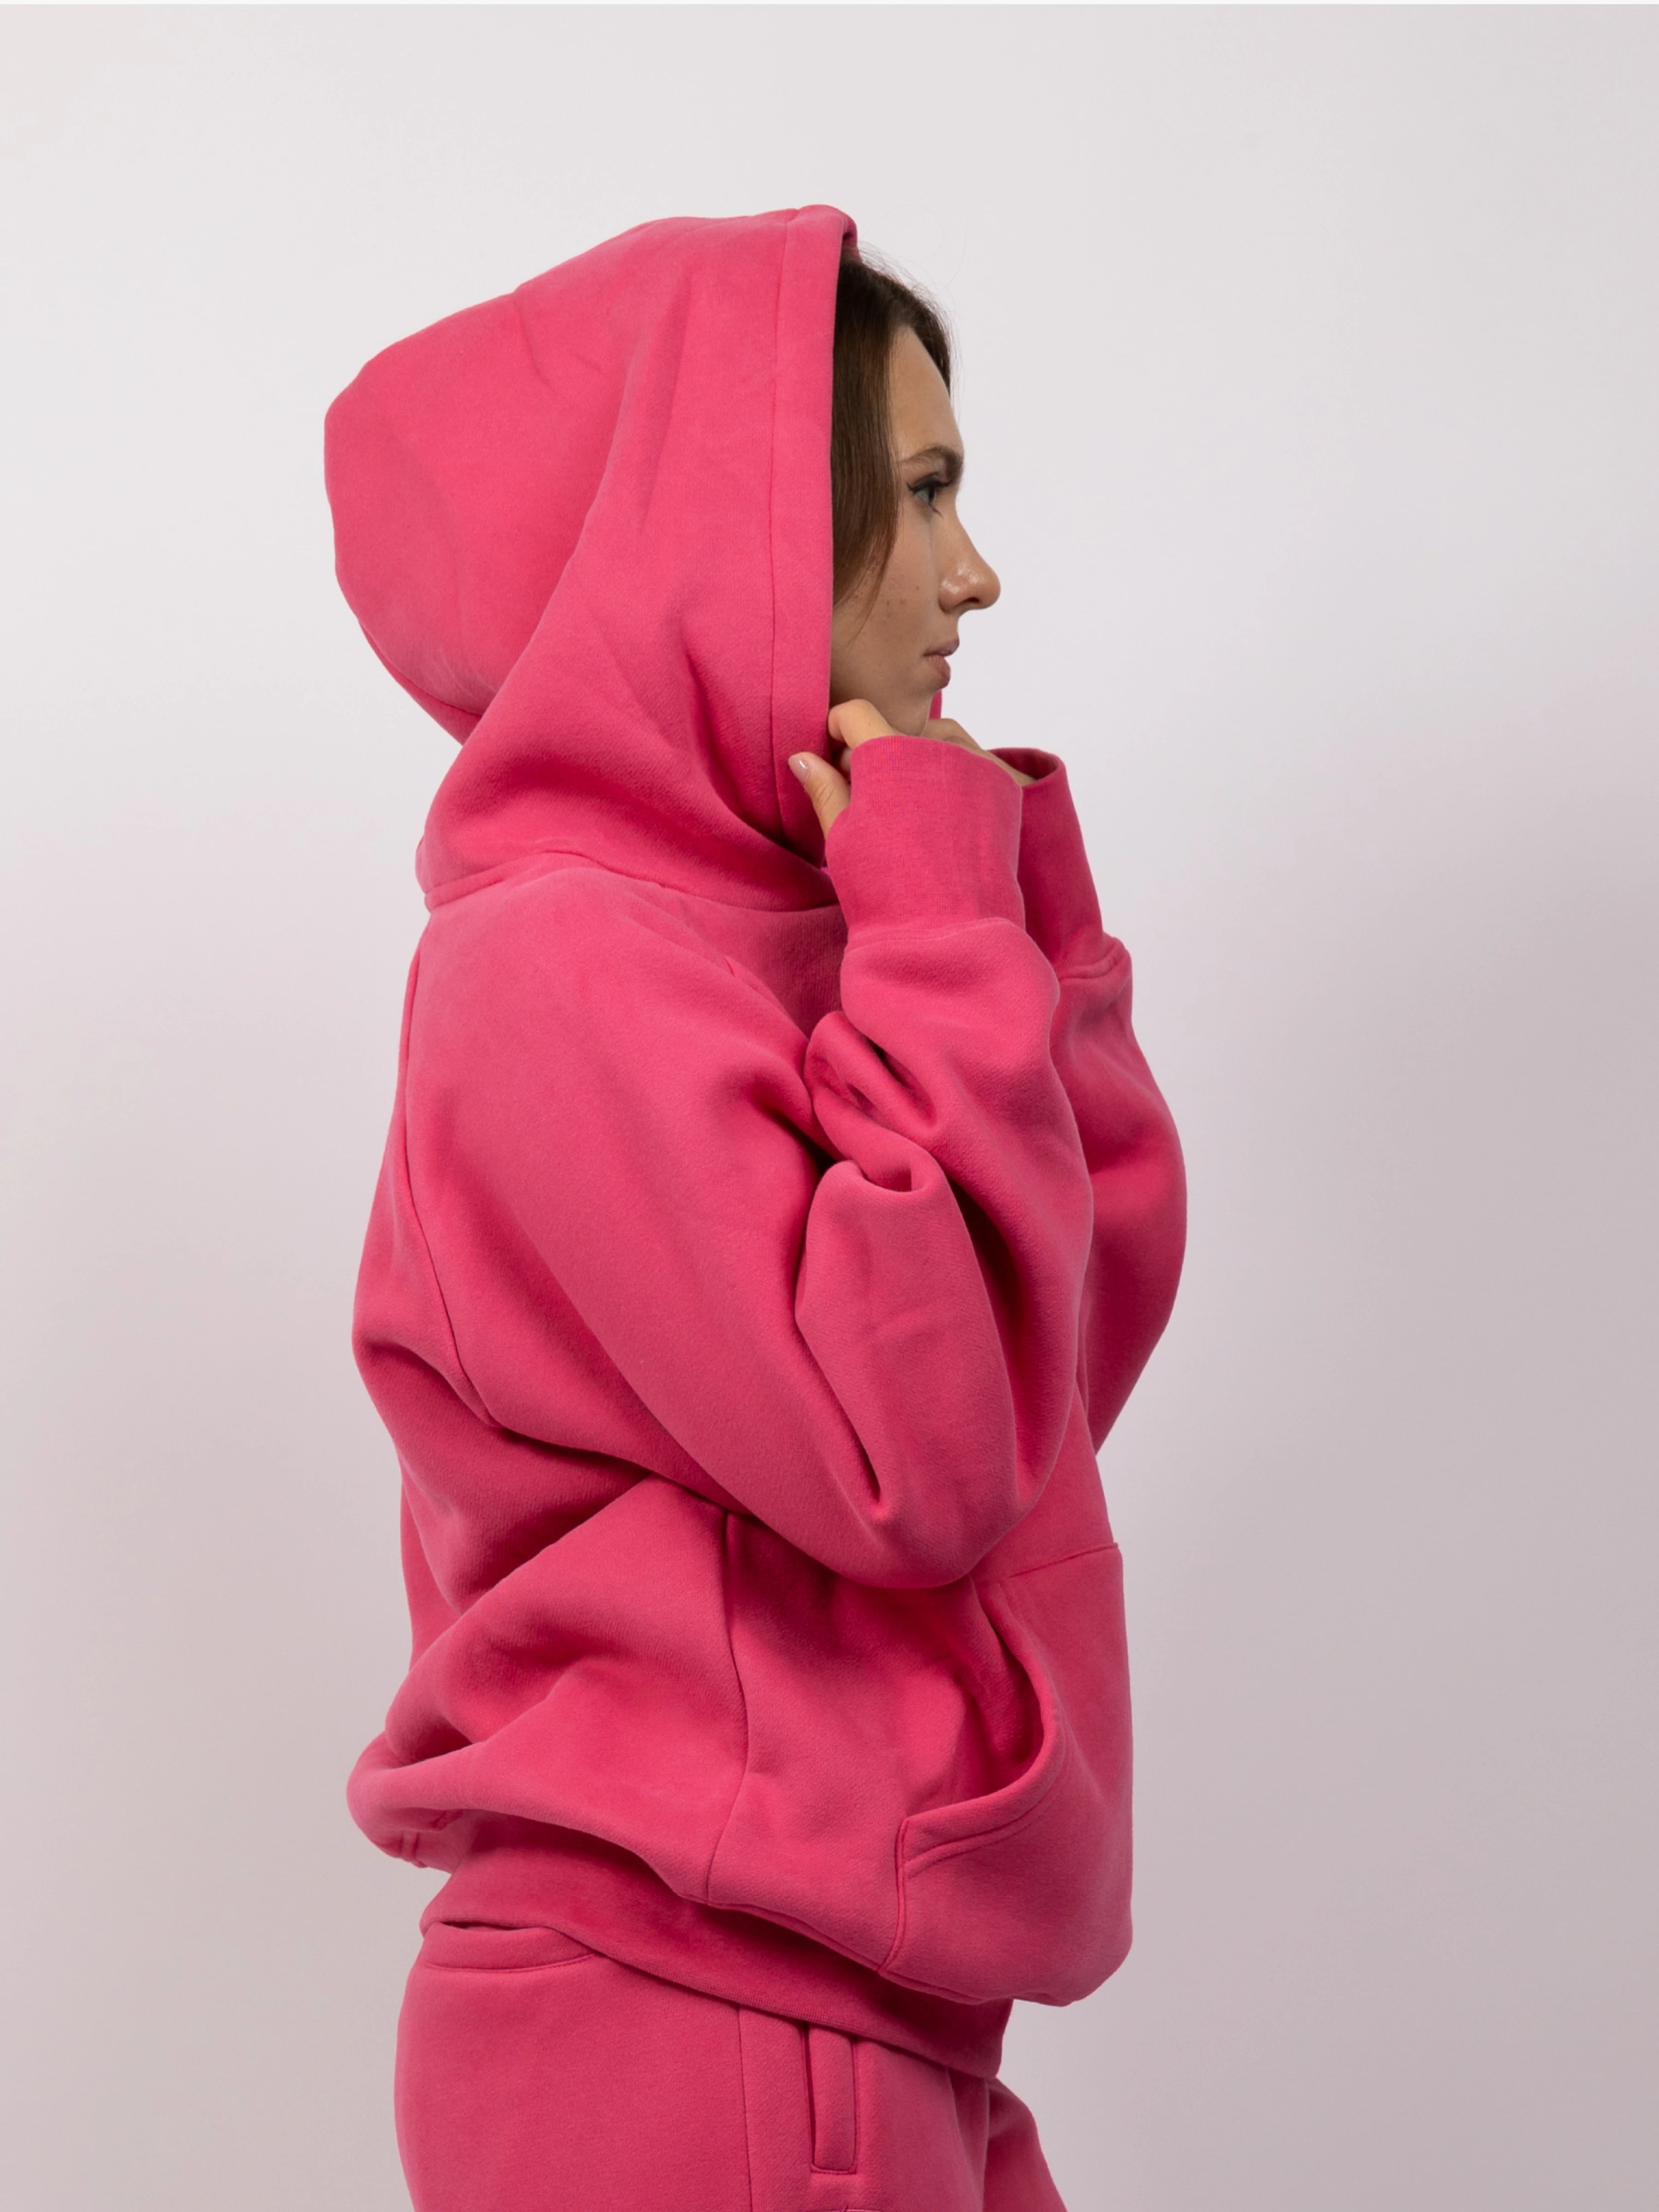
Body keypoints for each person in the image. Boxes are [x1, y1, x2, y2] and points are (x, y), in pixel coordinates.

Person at [325, 205, 1186, 2212]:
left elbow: (1059, 1362)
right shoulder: (558, 962)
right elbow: (917, 1462)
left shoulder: (793, 925)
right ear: (744, 528)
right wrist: (943, 930)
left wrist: (988, 908)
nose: (975, 573)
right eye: (925, 494)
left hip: (846, 2000)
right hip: (696, 2006)